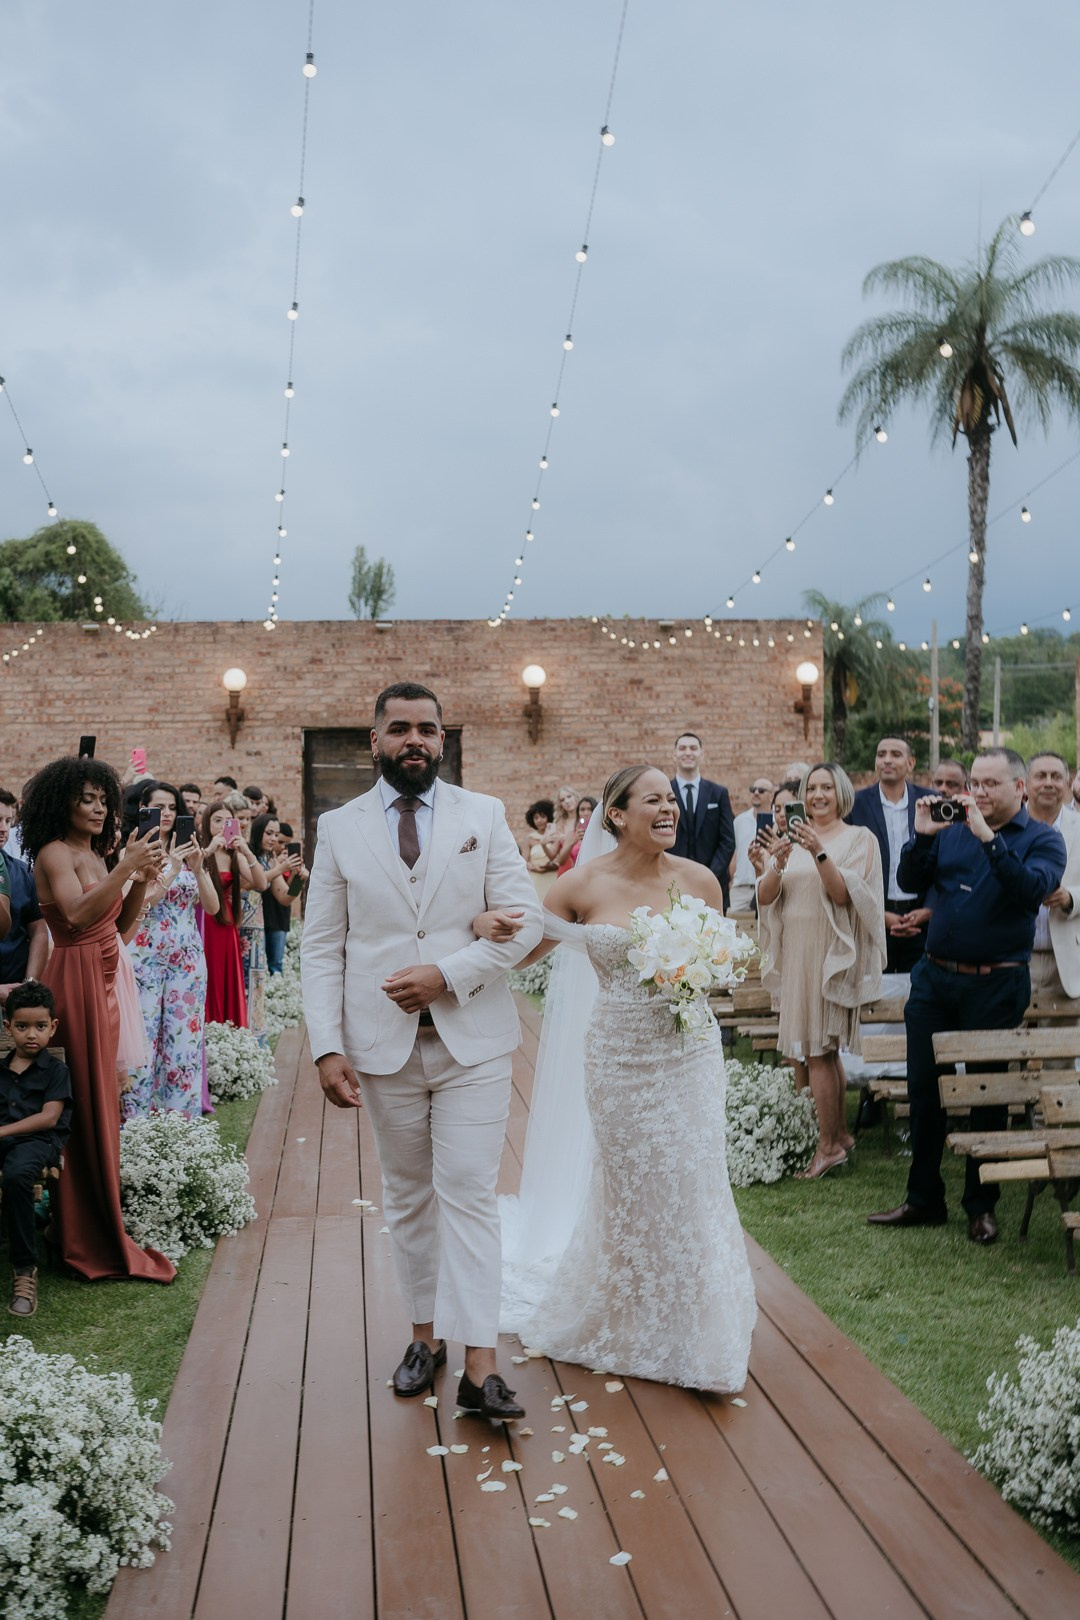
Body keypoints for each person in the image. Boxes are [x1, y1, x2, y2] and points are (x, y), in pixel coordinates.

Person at [302, 681, 543, 1420]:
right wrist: (325, 1047)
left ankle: (480, 1364)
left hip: (472, 1041)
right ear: (373, 740)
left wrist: (449, 973)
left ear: (444, 740)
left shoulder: (485, 815)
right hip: (381, 1049)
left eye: (428, 730)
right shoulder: (339, 827)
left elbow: (527, 922)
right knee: (408, 1197)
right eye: (400, 728)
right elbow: (322, 946)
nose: (416, 740)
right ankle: (422, 1338)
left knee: (469, 1194)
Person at [493, 765, 756, 1391]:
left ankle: (697, 1328)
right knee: (633, 1183)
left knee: (693, 1178)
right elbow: (525, 950)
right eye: (653, 800)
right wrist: (487, 931)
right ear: (616, 814)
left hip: (689, 1050)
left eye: (672, 799)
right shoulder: (579, 885)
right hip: (618, 1056)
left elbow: (720, 967)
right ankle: (627, 1312)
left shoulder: (700, 880)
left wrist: (700, 971)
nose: (668, 808)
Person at [868, 747, 1067, 1244]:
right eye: (973, 783)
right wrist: (922, 837)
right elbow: (910, 882)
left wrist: (988, 838)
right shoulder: (949, 826)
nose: (976, 792)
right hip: (934, 978)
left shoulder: (1044, 839)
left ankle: (981, 1205)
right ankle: (923, 1199)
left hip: (997, 983)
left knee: (985, 1093)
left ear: (1018, 788)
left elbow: (1029, 893)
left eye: (989, 784)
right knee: (923, 1088)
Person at [19, 757, 174, 1283]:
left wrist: (138, 882)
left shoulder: (94, 852)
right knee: (82, 1105)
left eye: (103, 799)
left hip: (107, 979)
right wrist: (126, 868)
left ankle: (95, 1223)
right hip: (75, 980)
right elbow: (79, 916)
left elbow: (120, 928)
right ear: (61, 802)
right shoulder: (54, 853)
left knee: (103, 1103)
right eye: (87, 798)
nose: (99, 807)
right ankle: (81, 1234)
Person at [755, 763, 886, 1178]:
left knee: (819, 1052)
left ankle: (827, 1146)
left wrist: (816, 850)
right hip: (797, 953)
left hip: (829, 955)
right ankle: (841, 1135)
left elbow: (844, 895)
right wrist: (774, 862)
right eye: (812, 788)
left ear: (841, 793)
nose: (818, 795)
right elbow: (766, 897)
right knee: (819, 1050)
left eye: (827, 787)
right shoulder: (792, 838)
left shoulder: (859, 838)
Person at [123, 781, 219, 1119]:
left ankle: (181, 1124)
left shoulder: (187, 850)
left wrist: (196, 866)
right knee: (143, 1043)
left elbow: (212, 907)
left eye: (171, 808)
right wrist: (172, 871)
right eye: (158, 807)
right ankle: (135, 1127)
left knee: (184, 1045)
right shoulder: (133, 852)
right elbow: (136, 903)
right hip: (143, 958)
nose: (165, 814)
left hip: (187, 959)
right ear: (142, 811)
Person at [0, 981, 73, 1318]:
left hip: (37, 1143)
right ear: (8, 1027)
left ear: (52, 1027)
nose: (32, 1034)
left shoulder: (55, 1071)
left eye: (40, 1026)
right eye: (22, 1026)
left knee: (16, 1177)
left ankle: (24, 1270)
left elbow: (49, 1117)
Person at [848, 737, 933, 974]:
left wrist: (929, 909)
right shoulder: (856, 804)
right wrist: (878, 914)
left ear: (911, 762)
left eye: (895, 754)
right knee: (875, 997)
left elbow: (943, 861)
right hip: (872, 917)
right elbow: (847, 867)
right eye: (881, 754)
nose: (887, 760)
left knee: (919, 997)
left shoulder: (929, 801)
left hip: (923, 918)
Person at [1024, 753, 1080, 1003]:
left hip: (1068, 962)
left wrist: (1071, 897)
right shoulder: (1003, 828)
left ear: (1068, 783)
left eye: (1056, 776)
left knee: (1064, 1040)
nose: (1048, 783)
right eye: (1040, 776)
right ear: (1025, 783)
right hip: (1013, 959)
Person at [669, 731, 736, 911]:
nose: (688, 752)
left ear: (702, 754)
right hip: (673, 883)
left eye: (693, 748)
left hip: (713, 883)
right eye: (682, 748)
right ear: (674, 755)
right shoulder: (664, 792)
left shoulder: (718, 793)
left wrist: (709, 875)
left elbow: (728, 841)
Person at [199, 800, 251, 1027]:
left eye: (227, 821)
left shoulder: (233, 856)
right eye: (216, 820)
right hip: (202, 920)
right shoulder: (199, 850)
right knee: (207, 974)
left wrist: (245, 850)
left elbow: (260, 882)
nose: (221, 825)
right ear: (206, 823)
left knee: (224, 976)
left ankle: (227, 1029)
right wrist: (209, 850)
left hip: (226, 921)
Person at [0, 789, 49, 1000]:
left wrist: (28, 986)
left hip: (14, 993)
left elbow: (38, 930)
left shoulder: (22, 871)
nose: (3, 829)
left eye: (8, 821)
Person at [252, 814, 305, 976]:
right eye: (269, 834)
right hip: (239, 919)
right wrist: (281, 869)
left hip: (257, 922)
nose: (274, 839)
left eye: (276, 835)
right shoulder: (247, 854)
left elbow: (284, 897)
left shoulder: (271, 860)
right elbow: (252, 882)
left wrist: (299, 880)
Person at [729, 776, 775, 912]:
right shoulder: (739, 821)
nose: (755, 793)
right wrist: (732, 880)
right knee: (738, 930)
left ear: (771, 796)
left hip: (768, 886)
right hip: (741, 888)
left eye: (761, 790)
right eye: (753, 789)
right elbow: (734, 854)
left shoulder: (777, 821)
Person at [522, 800, 558, 897]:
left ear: (549, 817)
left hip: (552, 877)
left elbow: (559, 859)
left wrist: (547, 868)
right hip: (535, 878)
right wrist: (534, 867)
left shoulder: (555, 836)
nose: (539, 820)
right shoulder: (529, 839)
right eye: (536, 818)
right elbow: (523, 862)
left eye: (542, 816)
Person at [556, 795, 597, 875]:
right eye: (582, 809)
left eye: (589, 809)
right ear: (578, 813)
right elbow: (561, 861)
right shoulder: (572, 834)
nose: (586, 813)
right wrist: (573, 842)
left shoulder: (604, 832)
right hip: (579, 875)